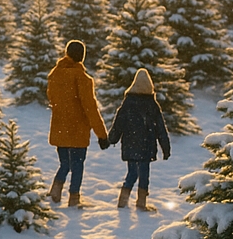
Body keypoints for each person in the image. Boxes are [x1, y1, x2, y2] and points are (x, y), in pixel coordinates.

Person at [46, 39, 109, 208]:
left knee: (64, 164)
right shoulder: (82, 78)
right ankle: (74, 198)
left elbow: (52, 99)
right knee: (77, 165)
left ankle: (54, 193)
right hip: (77, 129)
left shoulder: (54, 75)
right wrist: (102, 134)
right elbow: (90, 108)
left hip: (60, 128)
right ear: (82, 56)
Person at [105, 67, 170, 211]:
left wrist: (112, 139)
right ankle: (141, 204)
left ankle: (122, 201)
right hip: (146, 147)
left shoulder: (127, 104)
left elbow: (118, 124)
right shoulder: (152, 105)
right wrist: (165, 148)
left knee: (132, 173)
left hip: (130, 146)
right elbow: (161, 128)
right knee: (144, 175)